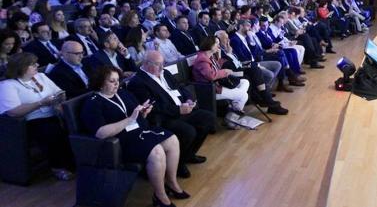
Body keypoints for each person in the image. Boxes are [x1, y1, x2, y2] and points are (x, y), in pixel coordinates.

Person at [81, 66, 189, 207]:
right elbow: (100, 133)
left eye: (118, 80)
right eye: (111, 81)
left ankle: (172, 183)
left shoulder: (123, 93)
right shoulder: (93, 102)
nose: (116, 84)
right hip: (121, 141)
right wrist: (130, 119)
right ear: (100, 83)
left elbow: (135, 114)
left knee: (172, 140)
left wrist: (143, 112)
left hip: (140, 131)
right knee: (157, 152)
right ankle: (160, 196)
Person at [127, 50, 217, 179]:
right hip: (164, 117)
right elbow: (154, 107)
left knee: (208, 118)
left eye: (163, 63)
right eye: (158, 64)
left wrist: (189, 99)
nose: (162, 67)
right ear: (146, 64)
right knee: (188, 131)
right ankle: (178, 164)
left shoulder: (165, 72)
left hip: (182, 109)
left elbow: (180, 88)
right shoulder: (137, 83)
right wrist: (178, 110)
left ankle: (188, 155)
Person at [0, 53, 74, 180]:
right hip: (31, 120)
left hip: (54, 113)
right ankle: (58, 166)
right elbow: (14, 111)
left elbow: (60, 92)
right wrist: (40, 103)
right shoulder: (8, 85)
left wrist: (58, 101)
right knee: (52, 131)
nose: (37, 66)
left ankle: (76, 161)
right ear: (22, 67)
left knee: (74, 123)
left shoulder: (41, 76)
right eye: (33, 64)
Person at [192, 36, 250, 125]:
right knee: (243, 95)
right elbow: (211, 75)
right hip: (211, 90)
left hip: (218, 84)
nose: (218, 46)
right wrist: (225, 71)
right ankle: (231, 120)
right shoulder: (202, 59)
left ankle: (233, 109)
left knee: (245, 82)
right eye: (217, 43)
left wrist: (218, 58)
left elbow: (216, 68)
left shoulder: (209, 56)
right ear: (209, 44)